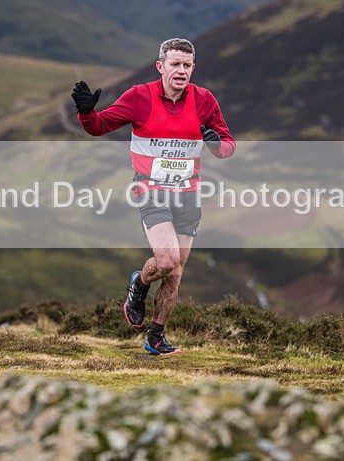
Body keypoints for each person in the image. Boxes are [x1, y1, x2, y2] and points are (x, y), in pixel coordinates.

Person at [72, 38, 235, 355]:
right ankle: (140, 283)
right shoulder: (139, 97)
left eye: (187, 65)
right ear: (161, 66)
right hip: (151, 189)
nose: (181, 71)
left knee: (175, 273)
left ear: (193, 68)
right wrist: (85, 112)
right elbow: (98, 127)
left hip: (188, 193)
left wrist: (215, 144)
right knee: (166, 260)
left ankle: (156, 336)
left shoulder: (204, 100)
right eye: (175, 64)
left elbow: (227, 147)